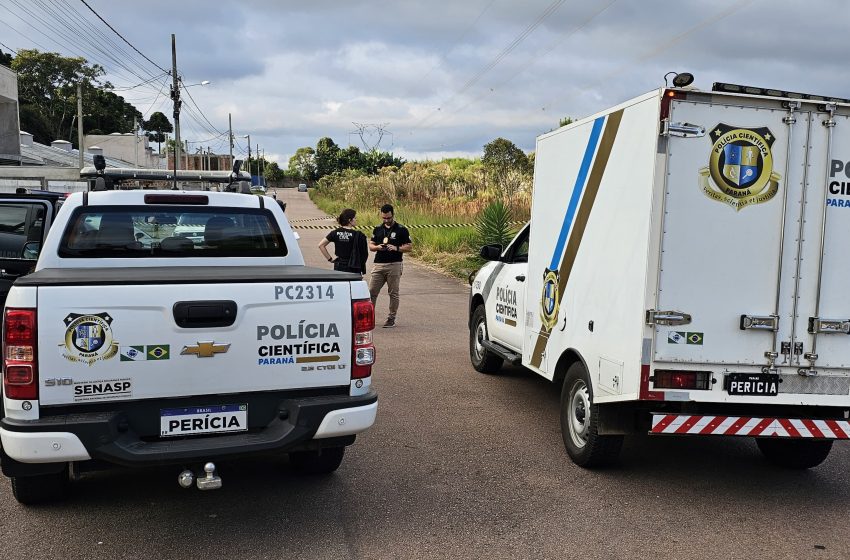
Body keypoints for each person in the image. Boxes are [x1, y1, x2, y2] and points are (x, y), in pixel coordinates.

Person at [368, 204, 412, 328]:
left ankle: (391, 318)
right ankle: (369, 317)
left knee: (393, 293)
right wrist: (377, 247)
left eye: (388, 218)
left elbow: (409, 247)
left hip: (394, 264)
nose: (386, 220)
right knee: (371, 292)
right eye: (384, 218)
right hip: (379, 265)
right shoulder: (377, 229)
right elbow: (371, 245)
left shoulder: (401, 229)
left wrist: (396, 248)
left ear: (393, 215)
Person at [318, 208, 367, 274]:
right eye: (355, 218)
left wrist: (330, 259)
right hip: (353, 266)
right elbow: (364, 254)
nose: (356, 220)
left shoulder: (335, 232)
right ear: (350, 220)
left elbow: (321, 245)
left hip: (339, 265)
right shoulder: (358, 235)